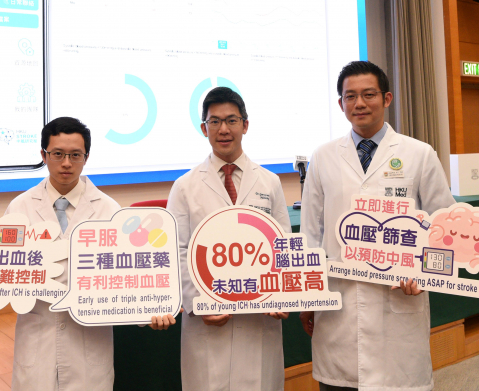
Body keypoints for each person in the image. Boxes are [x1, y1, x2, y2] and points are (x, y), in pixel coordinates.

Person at [0, 117, 176, 390]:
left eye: (75, 155)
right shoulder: (20, 208)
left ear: (87, 157)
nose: (66, 163)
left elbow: (128, 278)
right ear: (43, 155)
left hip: (89, 343)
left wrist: (151, 314)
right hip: (38, 339)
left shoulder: (109, 210)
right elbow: (2, 275)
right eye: (58, 154)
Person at [300, 61, 455, 391]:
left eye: (368, 94)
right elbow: (311, 233)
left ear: (387, 98)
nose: (359, 103)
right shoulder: (323, 157)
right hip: (339, 308)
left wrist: (425, 274)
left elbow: (445, 228)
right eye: (350, 96)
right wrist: (309, 297)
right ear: (340, 103)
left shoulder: (419, 154)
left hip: (398, 303)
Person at [167, 86, 291, 391]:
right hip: (208, 318)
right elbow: (176, 251)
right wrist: (199, 303)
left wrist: (282, 296)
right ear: (204, 128)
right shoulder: (185, 186)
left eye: (231, 120)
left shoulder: (269, 182)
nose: (223, 129)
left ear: (245, 125)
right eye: (215, 121)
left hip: (259, 316)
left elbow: (284, 245)